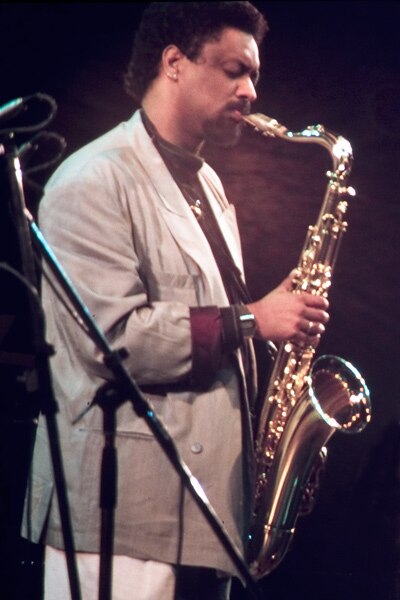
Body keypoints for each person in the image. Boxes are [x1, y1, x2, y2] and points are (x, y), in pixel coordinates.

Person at [22, 3, 329, 599]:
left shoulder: (207, 184)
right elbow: (112, 342)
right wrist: (253, 318)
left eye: (255, 76)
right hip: (121, 523)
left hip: (201, 512)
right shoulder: (94, 178)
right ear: (175, 63)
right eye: (235, 70)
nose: (250, 91)